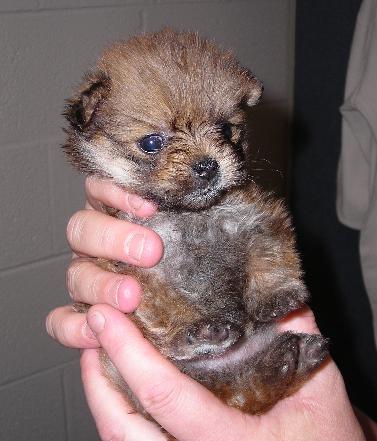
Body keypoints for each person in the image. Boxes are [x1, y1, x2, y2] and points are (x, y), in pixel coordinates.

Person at [46, 176, 377, 441]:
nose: (203, 161)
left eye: (224, 131)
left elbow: (269, 236)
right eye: (151, 144)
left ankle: (262, 376)